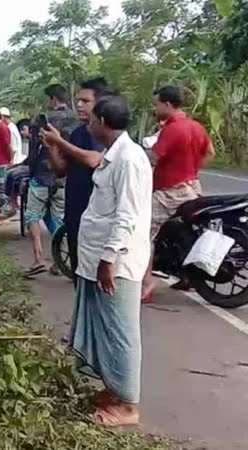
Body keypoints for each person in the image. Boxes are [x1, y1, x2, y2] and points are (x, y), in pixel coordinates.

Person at [71, 95, 152, 427]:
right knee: (104, 328)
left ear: (102, 122)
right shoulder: (113, 155)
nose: (88, 124)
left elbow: (127, 216)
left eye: (91, 119)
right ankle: (114, 389)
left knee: (120, 331)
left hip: (116, 262)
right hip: (98, 258)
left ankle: (128, 404)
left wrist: (108, 259)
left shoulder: (130, 159)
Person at [142, 86, 215, 300]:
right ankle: (187, 276)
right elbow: (210, 152)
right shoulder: (196, 126)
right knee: (185, 231)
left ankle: (147, 283)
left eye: (156, 104)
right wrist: (192, 169)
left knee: (143, 234)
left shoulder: (172, 129)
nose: (154, 108)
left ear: (167, 104)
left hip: (170, 191)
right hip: (192, 187)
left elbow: (152, 158)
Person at [41, 77, 112, 274]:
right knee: (78, 272)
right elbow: (61, 170)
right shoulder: (79, 133)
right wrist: (53, 147)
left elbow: (93, 160)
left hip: (97, 216)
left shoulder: (103, 134)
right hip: (75, 211)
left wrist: (60, 142)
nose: (79, 105)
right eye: (78, 100)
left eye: (85, 101)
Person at [23, 84, 79, 277]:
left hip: (42, 175)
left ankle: (38, 258)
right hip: (64, 177)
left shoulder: (43, 119)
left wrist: (29, 168)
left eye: (49, 99)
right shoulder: (77, 120)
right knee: (57, 219)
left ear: (54, 99)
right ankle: (60, 260)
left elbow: (33, 151)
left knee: (32, 216)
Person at [0, 119, 32, 217]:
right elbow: (29, 159)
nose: (22, 132)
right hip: (28, 164)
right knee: (10, 171)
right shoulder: (30, 140)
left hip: (34, 168)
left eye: (23, 129)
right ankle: (13, 199)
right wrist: (18, 165)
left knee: (13, 174)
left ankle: (12, 202)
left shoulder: (35, 140)